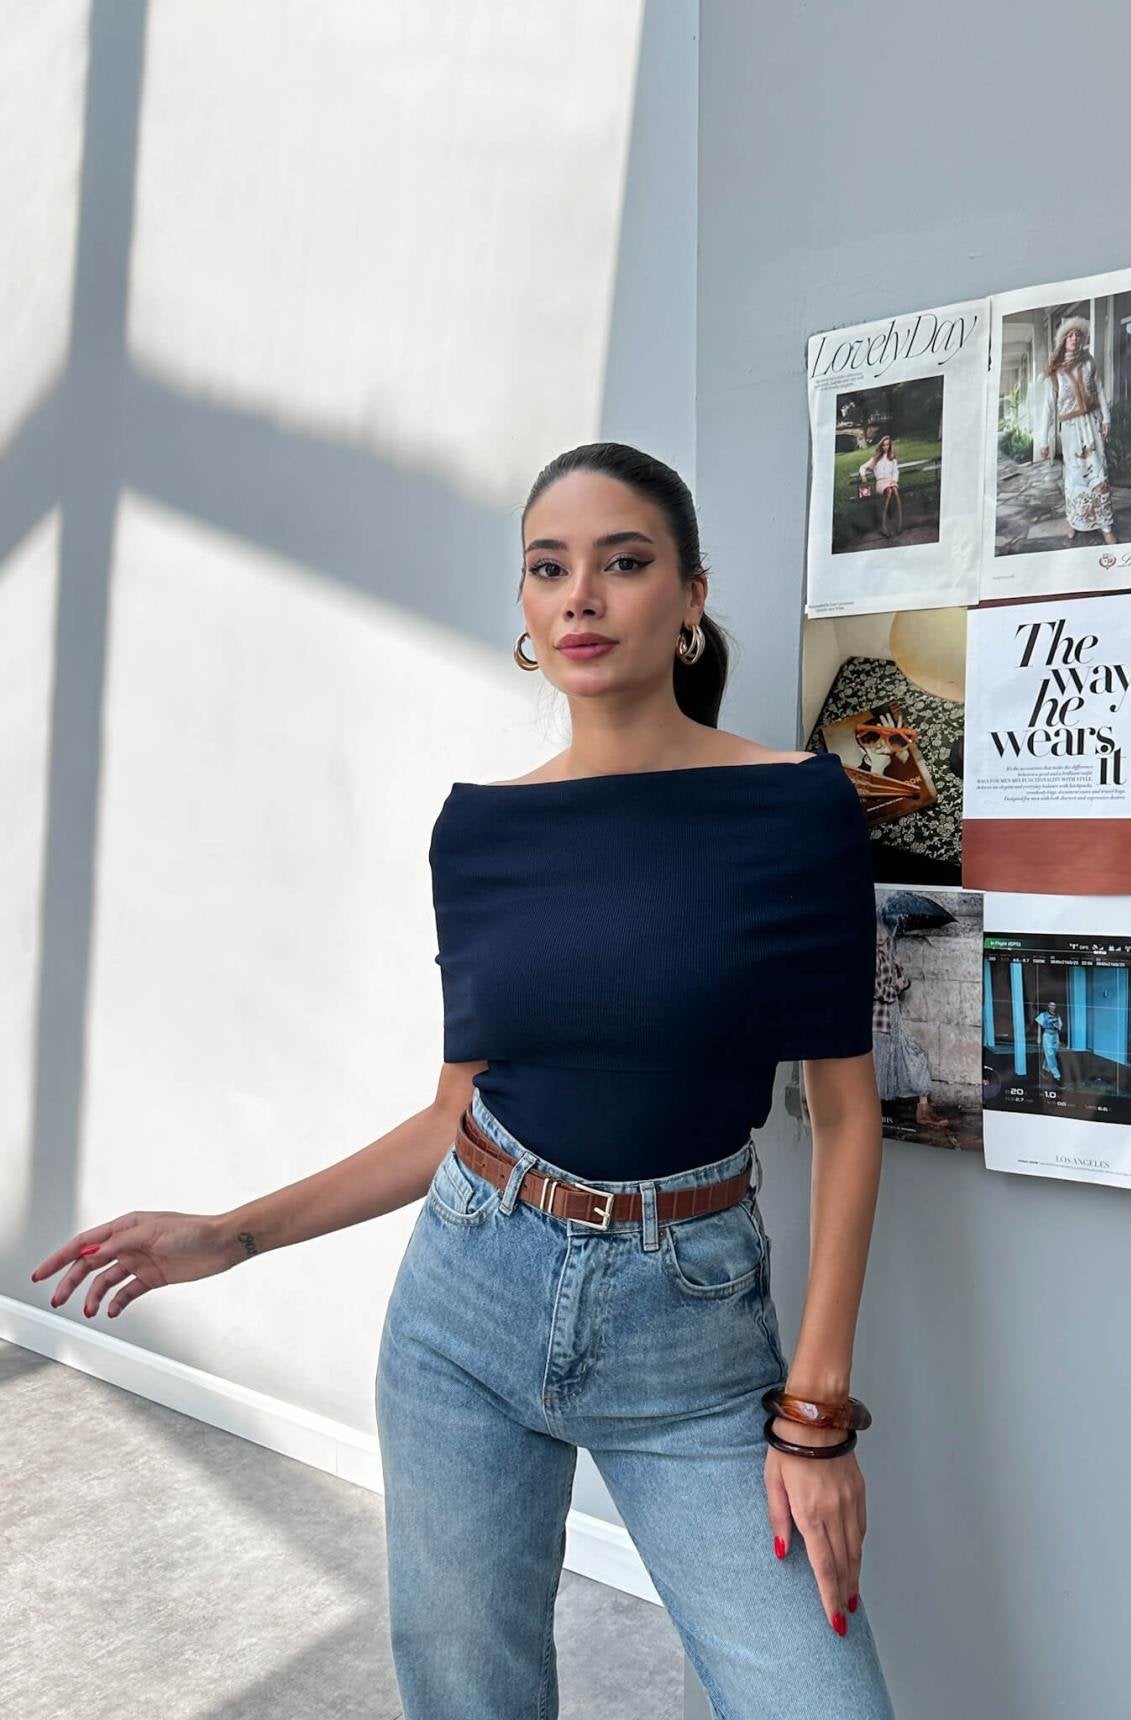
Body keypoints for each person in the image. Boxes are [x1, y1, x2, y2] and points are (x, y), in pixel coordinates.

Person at [30, 443, 894, 1720]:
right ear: (527, 612)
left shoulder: (797, 807)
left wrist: (815, 1415)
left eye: (625, 562)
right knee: (468, 1697)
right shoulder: (482, 829)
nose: (582, 596)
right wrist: (233, 1233)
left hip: (695, 1332)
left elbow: (844, 1113)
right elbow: (456, 1114)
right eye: (550, 569)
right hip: (467, 1306)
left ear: (691, 595)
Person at [1036, 314, 1117, 544]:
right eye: (1070, 335)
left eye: (1078, 335)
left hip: (1092, 422)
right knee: (1074, 476)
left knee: (1098, 471)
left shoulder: (1089, 363)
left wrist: (1106, 419)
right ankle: (1074, 520)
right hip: (1070, 429)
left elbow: (1100, 390)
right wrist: (1044, 441)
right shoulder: (1055, 372)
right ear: (1063, 340)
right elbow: (1048, 409)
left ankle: (1105, 524)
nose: (1074, 338)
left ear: (1082, 340)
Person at [872, 921, 950, 1130]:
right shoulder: (872, 958)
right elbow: (878, 991)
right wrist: (896, 986)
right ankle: (873, 1115)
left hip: (893, 1020)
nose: (881, 936)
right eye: (877, 932)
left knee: (915, 1054)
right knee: (879, 1068)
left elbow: (901, 985)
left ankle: (922, 1109)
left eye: (883, 932)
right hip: (880, 1021)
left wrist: (900, 971)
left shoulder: (887, 957)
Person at [857, 434, 902, 537]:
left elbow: (895, 471)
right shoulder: (876, 458)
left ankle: (900, 523)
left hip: (890, 481)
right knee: (890, 491)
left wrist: (894, 481)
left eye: (887, 445)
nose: (886, 447)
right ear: (881, 446)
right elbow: (862, 467)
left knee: (894, 490)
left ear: (890, 446)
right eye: (884, 445)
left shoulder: (892, 458)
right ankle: (884, 525)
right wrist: (863, 476)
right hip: (881, 483)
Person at [1035, 1001, 1064, 1083]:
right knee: (1050, 1054)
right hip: (1047, 1035)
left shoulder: (1057, 1016)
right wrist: (1038, 1037)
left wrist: (1056, 1024)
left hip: (1055, 1035)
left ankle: (1045, 1070)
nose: (1052, 1007)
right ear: (1048, 1006)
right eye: (1051, 1005)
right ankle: (1057, 1076)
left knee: (1053, 1054)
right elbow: (1039, 1027)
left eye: (1054, 1006)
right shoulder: (1043, 1015)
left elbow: (1060, 1027)